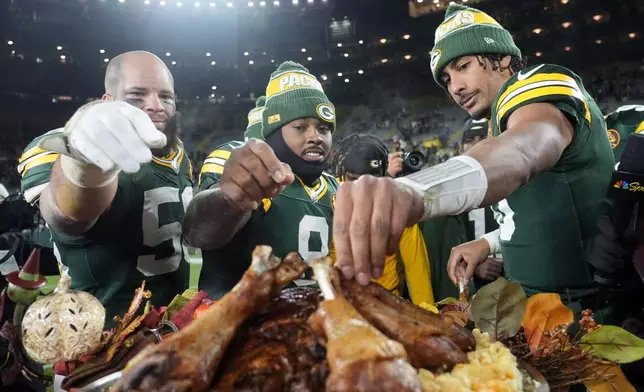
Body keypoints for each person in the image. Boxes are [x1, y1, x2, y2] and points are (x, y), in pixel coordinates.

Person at [332, 4, 614, 315]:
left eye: (463, 66)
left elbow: (523, 149)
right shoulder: (497, 121)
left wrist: (416, 190)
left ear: (501, 58)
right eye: (447, 79)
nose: (455, 87)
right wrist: (488, 245)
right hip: (540, 309)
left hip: (585, 314)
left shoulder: (534, 82)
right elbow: (537, 213)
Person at [18, 51, 193, 324]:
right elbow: (65, 217)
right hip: (100, 341)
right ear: (107, 102)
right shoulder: (68, 144)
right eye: (137, 96)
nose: (156, 105)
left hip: (173, 329)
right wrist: (84, 164)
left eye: (166, 96)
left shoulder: (179, 154)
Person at [183, 62, 339, 298]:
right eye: (300, 127)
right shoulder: (242, 164)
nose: (315, 137)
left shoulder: (335, 188)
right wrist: (231, 199)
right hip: (245, 327)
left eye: (324, 128)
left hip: (316, 325)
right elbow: (198, 234)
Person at [330, 133, 433, 305]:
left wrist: (430, 316)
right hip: (341, 306)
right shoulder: (325, 204)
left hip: (387, 305)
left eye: (372, 179)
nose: (362, 188)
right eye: (353, 179)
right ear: (341, 176)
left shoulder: (397, 207)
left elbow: (417, 274)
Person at [458, 118, 503, 285]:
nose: (476, 146)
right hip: (476, 290)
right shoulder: (454, 195)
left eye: (483, 138)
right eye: (470, 140)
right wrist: (474, 266)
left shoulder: (519, 182)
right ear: (461, 149)